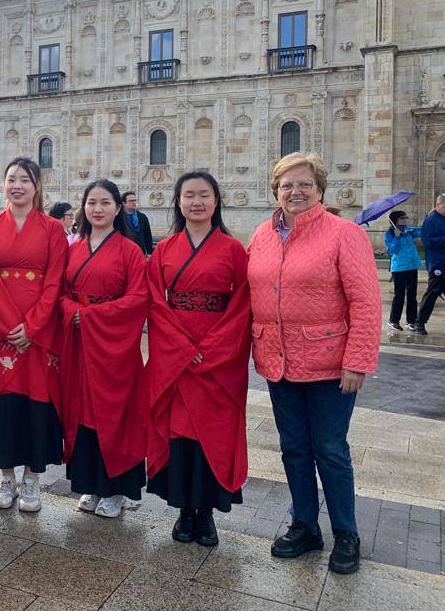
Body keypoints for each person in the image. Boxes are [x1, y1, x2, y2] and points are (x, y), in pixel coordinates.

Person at [248, 152, 381, 575]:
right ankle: (305, 524)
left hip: (329, 364)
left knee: (330, 449)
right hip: (278, 362)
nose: (295, 191)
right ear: (276, 191)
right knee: (293, 449)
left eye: (304, 184)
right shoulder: (262, 235)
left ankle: (346, 532)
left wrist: (357, 360)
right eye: (286, 185)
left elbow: (365, 301)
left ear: (320, 189)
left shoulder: (344, 233)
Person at [145, 171, 251, 548]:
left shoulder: (234, 250)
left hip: (217, 360)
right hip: (177, 359)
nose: (196, 202)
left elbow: (241, 306)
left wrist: (211, 348)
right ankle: (184, 511)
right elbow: (156, 302)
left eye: (203, 195)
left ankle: (206, 514)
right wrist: (182, 348)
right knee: (180, 433)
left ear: (216, 201)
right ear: (178, 202)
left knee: (213, 432)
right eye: (188, 195)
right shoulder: (164, 250)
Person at [0, 156, 67, 512]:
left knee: (35, 405)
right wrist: (11, 325)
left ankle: (32, 478)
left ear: (36, 186)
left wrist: (34, 326)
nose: (17, 185)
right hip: (0, 330)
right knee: (3, 405)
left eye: (25, 179)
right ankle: (5, 476)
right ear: (3, 184)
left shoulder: (53, 229)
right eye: (11, 179)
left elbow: (55, 281)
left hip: (37, 335)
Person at [58, 180, 148, 519]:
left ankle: (116, 489)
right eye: (92, 203)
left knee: (114, 413)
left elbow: (138, 298)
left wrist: (91, 317)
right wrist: (73, 313)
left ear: (117, 208)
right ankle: (90, 485)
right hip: (80, 343)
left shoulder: (130, 251)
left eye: (105, 203)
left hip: (114, 347)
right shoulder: (74, 249)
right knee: (83, 411)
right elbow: (62, 294)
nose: (98, 209)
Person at [384, 210, 422, 331]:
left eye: (406, 217)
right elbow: (391, 250)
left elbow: (421, 231)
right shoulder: (389, 234)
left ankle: (411, 321)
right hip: (399, 268)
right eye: (402, 218)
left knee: (412, 295)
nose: (405, 220)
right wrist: (396, 237)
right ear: (395, 220)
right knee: (399, 295)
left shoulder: (408, 230)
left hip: (412, 266)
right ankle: (393, 320)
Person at [415, 195, 445, 335]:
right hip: (437, 264)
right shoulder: (431, 220)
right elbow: (427, 242)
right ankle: (420, 322)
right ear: (438, 205)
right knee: (432, 293)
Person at [122, 191, 153, 256]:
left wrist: (149, 252)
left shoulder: (142, 217)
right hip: (124, 253)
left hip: (140, 252)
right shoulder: (119, 218)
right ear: (124, 203)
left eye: (134, 200)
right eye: (131, 201)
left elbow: (148, 235)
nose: (133, 202)